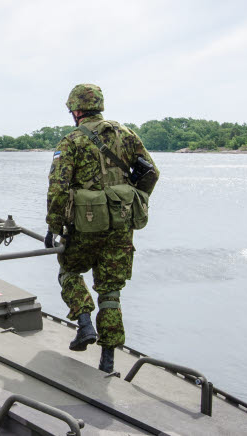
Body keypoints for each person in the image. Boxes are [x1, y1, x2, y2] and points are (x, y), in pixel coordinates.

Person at [45, 83, 158, 374]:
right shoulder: (127, 135)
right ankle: (107, 362)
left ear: (76, 110)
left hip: (84, 227)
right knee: (110, 292)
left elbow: (58, 189)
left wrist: (54, 227)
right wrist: (133, 198)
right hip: (121, 226)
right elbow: (152, 173)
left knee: (68, 270)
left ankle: (83, 323)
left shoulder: (70, 142)